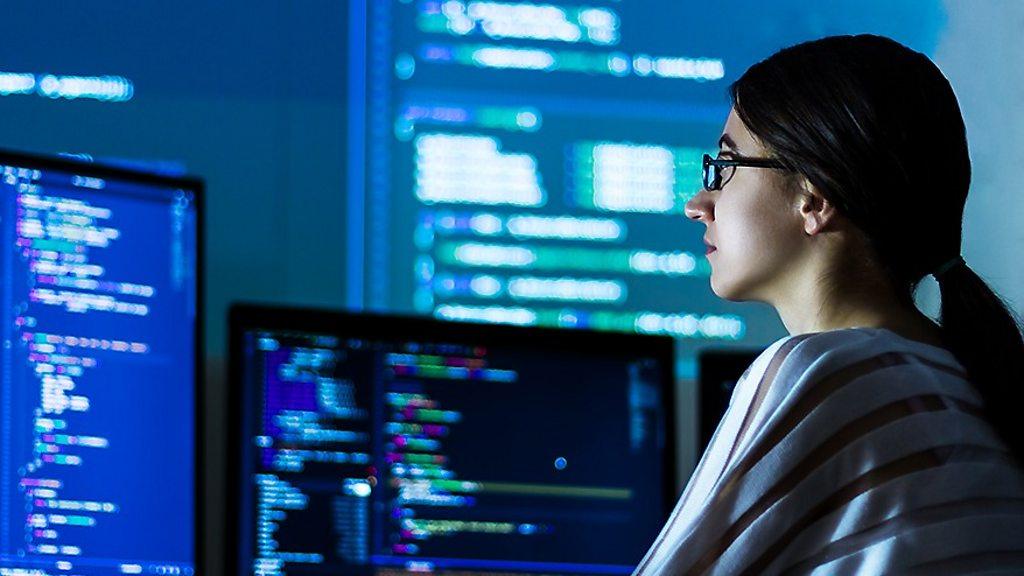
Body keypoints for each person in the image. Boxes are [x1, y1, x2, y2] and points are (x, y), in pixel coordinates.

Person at [634, 34, 1024, 575]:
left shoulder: (826, 373)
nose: (697, 204)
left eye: (724, 167)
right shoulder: (965, 379)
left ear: (813, 199)